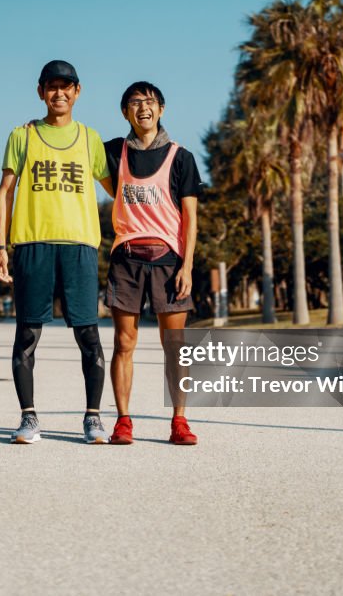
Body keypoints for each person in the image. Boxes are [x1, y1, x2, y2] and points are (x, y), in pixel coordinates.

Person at [0, 60, 113, 444]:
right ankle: (29, 418)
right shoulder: (22, 136)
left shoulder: (90, 138)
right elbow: (5, 192)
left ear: (78, 92)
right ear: (41, 91)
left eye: (66, 86)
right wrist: (0, 244)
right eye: (51, 86)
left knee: (89, 335)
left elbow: (118, 189)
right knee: (27, 333)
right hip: (32, 243)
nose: (58, 93)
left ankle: (93, 418)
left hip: (79, 246)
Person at [104, 81, 203, 445]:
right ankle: (123, 421)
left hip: (169, 262)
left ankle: (179, 421)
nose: (142, 108)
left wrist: (187, 266)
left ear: (161, 110)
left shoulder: (182, 158)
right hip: (126, 261)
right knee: (124, 343)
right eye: (134, 102)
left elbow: (191, 218)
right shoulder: (113, 153)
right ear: (124, 112)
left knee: (174, 344)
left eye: (149, 102)